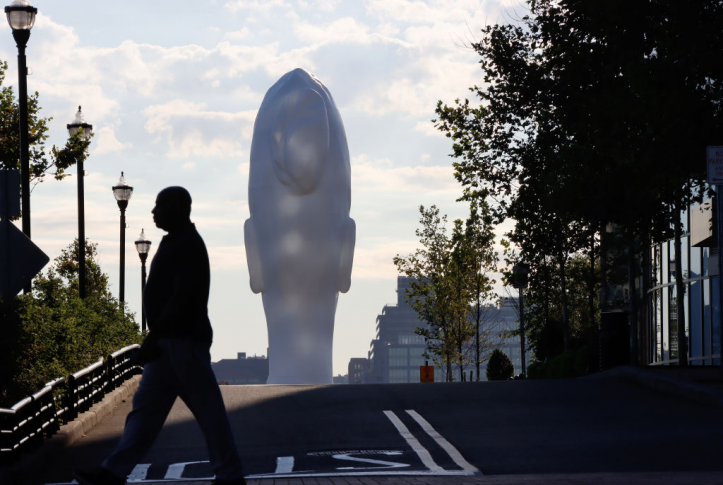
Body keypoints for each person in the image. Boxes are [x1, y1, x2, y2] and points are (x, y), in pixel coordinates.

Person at [74, 187, 246, 485]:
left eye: (160, 206)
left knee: (208, 413)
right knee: (145, 413)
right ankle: (113, 471)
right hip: (170, 344)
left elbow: (181, 297)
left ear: (178, 208)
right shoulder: (179, 242)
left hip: (181, 341)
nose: (154, 212)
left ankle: (229, 475)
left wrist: (154, 337)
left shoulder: (187, 245)